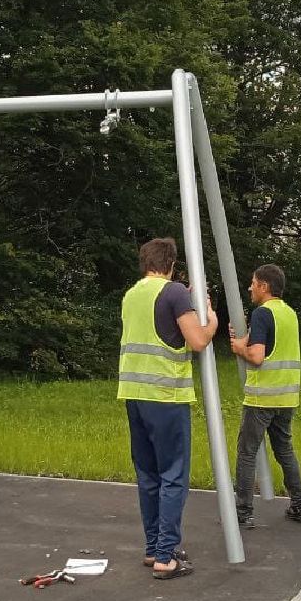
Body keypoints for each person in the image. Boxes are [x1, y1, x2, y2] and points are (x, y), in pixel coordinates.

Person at [118, 237, 218, 579]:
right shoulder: (175, 293)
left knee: (147, 476)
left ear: (145, 263)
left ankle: (152, 549)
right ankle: (166, 556)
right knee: (173, 475)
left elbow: (157, 323)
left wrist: (185, 299)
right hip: (166, 396)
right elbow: (198, 340)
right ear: (171, 264)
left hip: (134, 394)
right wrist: (212, 320)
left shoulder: (131, 295)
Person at [229, 263, 301, 527]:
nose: (250, 287)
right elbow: (265, 343)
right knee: (285, 450)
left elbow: (257, 355)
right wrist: (242, 342)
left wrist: (240, 349)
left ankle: (242, 512)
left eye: (253, 282)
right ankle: (300, 505)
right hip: (287, 396)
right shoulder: (289, 313)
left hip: (262, 397)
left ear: (264, 286)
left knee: (247, 452)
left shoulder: (262, 313)